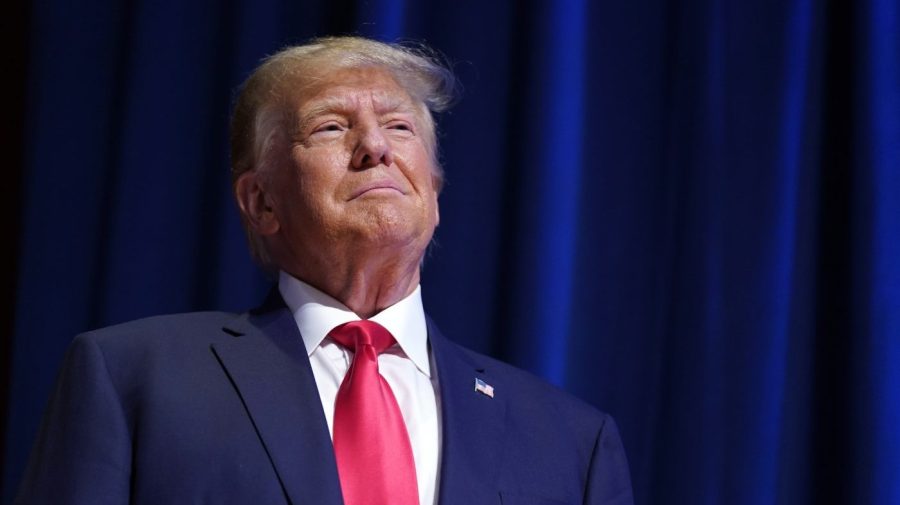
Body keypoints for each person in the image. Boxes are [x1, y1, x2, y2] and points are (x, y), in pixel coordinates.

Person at [15, 36, 634, 505]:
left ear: (435, 197)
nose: (377, 147)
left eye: (398, 126)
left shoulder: (570, 443)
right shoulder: (132, 380)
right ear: (262, 202)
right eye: (332, 126)